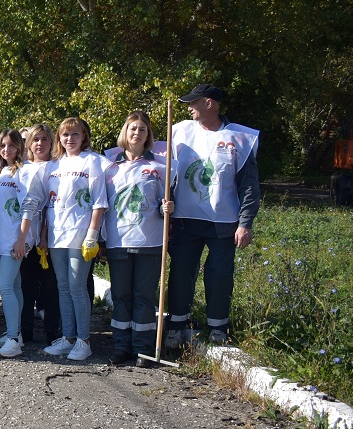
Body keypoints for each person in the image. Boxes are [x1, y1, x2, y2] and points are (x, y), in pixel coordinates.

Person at [166, 83, 259, 347]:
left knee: (219, 274)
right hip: (185, 218)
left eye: (194, 102)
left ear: (209, 103)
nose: (189, 107)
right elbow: (165, 174)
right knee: (182, 272)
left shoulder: (240, 138)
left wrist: (245, 222)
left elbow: (249, 185)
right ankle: (177, 324)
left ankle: (218, 326)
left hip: (223, 221)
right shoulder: (180, 131)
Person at [103, 111, 174, 367]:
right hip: (118, 241)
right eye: (133, 128)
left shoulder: (161, 166)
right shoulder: (109, 165)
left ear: (148, 135)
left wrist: (167, 208)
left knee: (144, 296)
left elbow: (162, 202)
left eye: (142, 129)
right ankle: (122, 346)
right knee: (122, 296)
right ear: (126, 131)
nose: (137, 133)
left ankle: (143, 347)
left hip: (150, 242)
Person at [42, 117, 108, 362]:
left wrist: (93, 235)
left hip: (80, 235)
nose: (70, 139)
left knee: (77, 287)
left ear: (84, 136)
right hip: (57, 235)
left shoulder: (92, 161)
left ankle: (84, 340)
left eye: (75, 134)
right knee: (62, 287)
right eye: (65, 135)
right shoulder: (54, 165)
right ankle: (68, 337)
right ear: (59, 138)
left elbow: (99, 202)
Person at [0, 130, 45, 358]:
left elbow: (30, 205)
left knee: (5, 286)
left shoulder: (26, 171)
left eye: (11, 145)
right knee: (16, 285)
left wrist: (22, 240)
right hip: (0, 237)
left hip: (16, 238)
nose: (6, 149)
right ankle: (16, 333)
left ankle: (12, 339)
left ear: (20, 147)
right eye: (2, 145)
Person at [18, 124, 60, 343]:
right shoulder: (22, 168)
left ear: (51, 142)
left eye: (44, 139)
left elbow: (48, 204)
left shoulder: (57, 167)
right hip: (25, 236)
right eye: (35, 140)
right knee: (26, 285)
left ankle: (52, 331)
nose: (40, 144)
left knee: (50, 286)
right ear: (29, 144)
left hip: (50, 235)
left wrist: (44, 235)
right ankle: (24, 330)